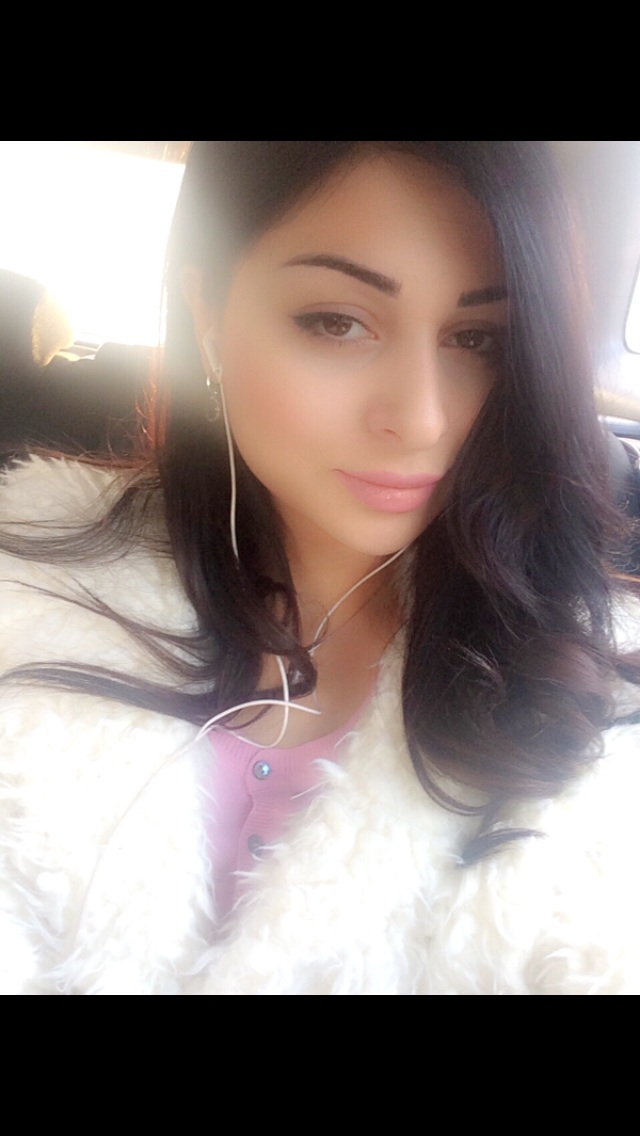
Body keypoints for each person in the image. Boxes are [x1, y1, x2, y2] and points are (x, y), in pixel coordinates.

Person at [1, 141, 640, 996]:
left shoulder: (600, 696)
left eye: (478, 338)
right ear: (207, 312)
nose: (421, 418)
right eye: (337, 322)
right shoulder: (27, 590)